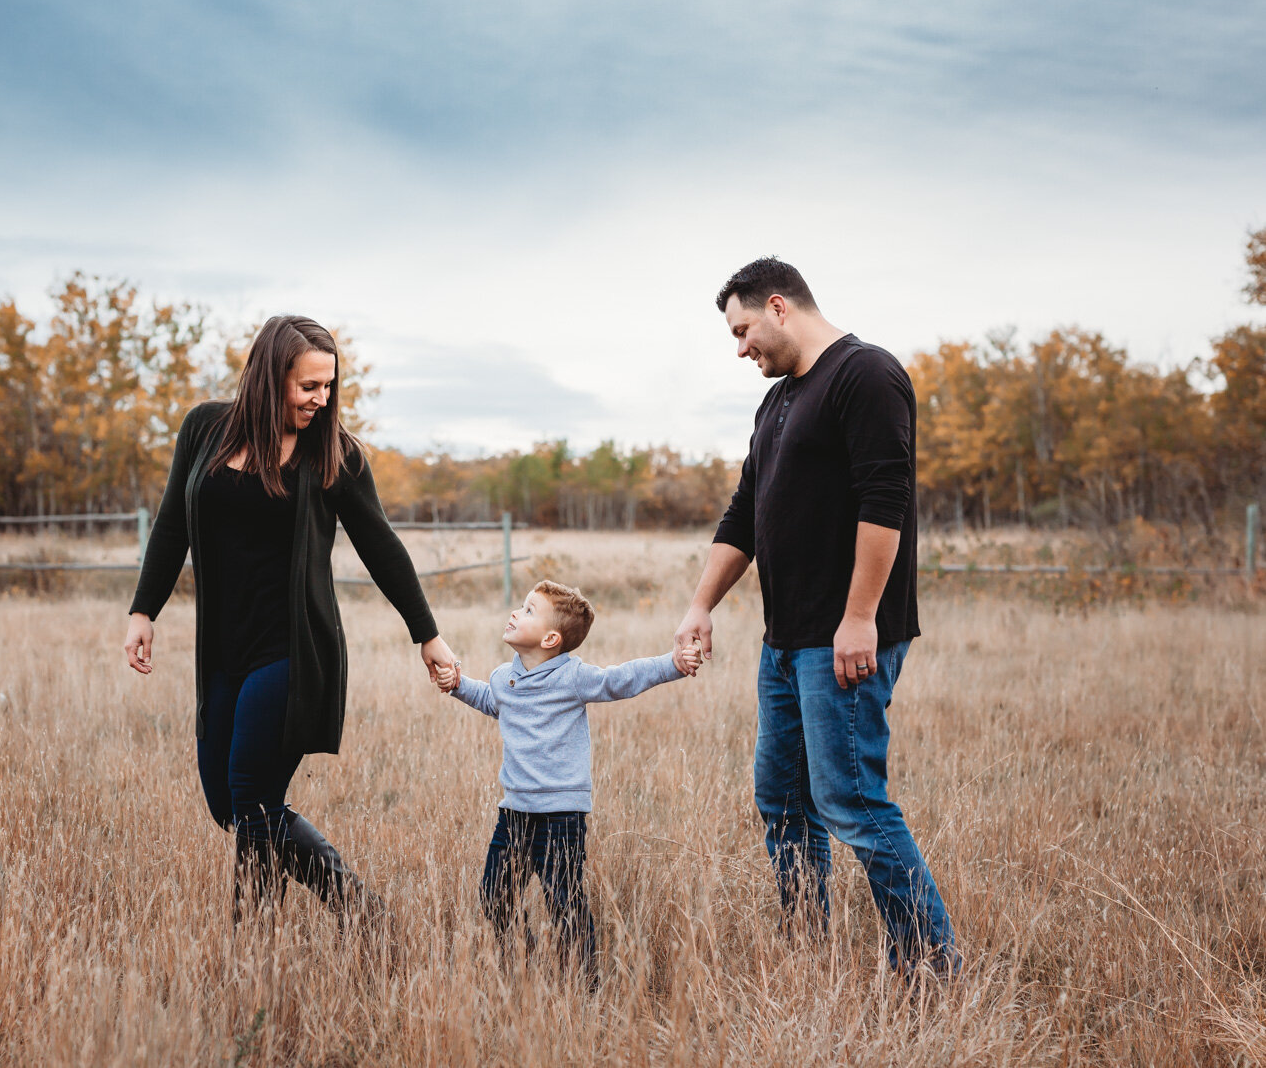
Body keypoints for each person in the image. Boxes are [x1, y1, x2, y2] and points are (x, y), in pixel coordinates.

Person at [673, 257, 959, 976]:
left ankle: (930, 961)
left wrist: (859, 615)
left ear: (778, 306)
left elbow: (883, 500)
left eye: (742, 330)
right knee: (783, 800)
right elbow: (745, 514)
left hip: (846, 639)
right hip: (787, 641)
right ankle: (807, 943)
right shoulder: (777, 403)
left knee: (852, 800)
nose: (740, 348)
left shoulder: (865, 374)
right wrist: (700, 604)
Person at [123, 315, 459, 921]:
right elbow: (172, 522)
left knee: (252, 796)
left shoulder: (334, 455)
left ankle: (354, 910)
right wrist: (144, 609)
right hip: (223, 650)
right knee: (230, 805)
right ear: (270, 376)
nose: (321, 399)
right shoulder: (205, 428)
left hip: (295, 651)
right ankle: (263, 946)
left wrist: (426, 635)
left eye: (329, 386)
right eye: (309, 386)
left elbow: (382, 546)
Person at [436, 580, 700, 976]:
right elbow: (490, 701)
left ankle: (584, 981)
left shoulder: (573, 677)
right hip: (514, 815)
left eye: (528, 610)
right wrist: (457, 684)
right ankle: (519, 966)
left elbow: (620, 678)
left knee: (564, 903)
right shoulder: (502, 679)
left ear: (550, 638)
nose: (515, 613)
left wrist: (673, 663)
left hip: (561, 817)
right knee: (494, 895)